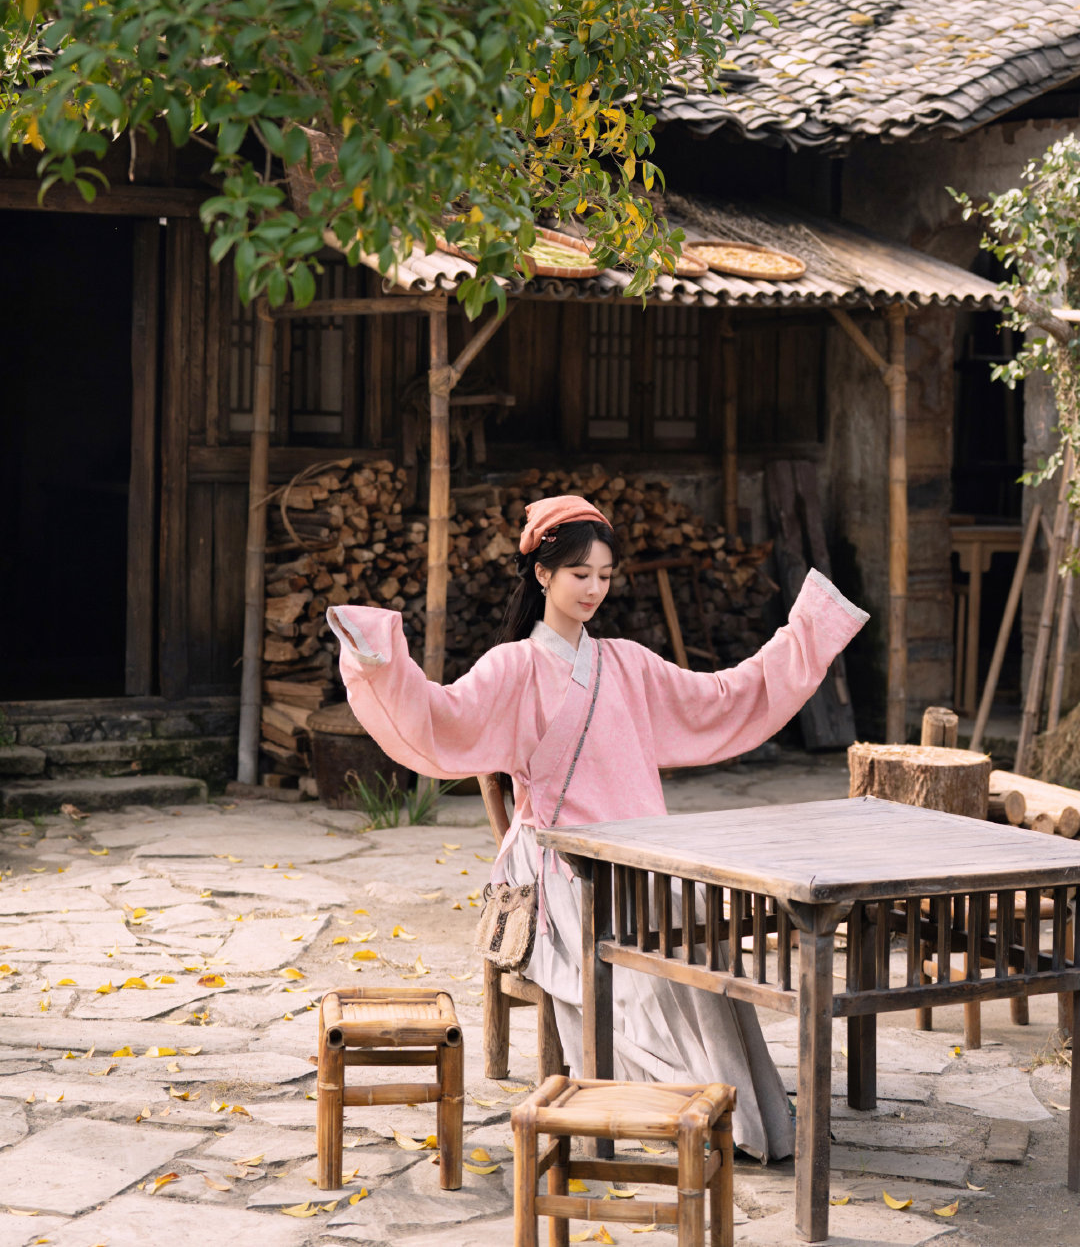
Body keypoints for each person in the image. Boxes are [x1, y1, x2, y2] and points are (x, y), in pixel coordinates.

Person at [328, 493, 868, 1160]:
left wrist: (807, 633)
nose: (593, 589)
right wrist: (379, 657)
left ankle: (736, 1107)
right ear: (543, 575)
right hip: (558, 864)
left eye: (605, 576)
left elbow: (725, 699)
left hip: (641, 855)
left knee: (698, 931)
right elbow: (441, 721)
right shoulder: (512, 668)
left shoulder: (629, 664)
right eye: (580, 573)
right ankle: (681, 1102)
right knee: (635, 954)